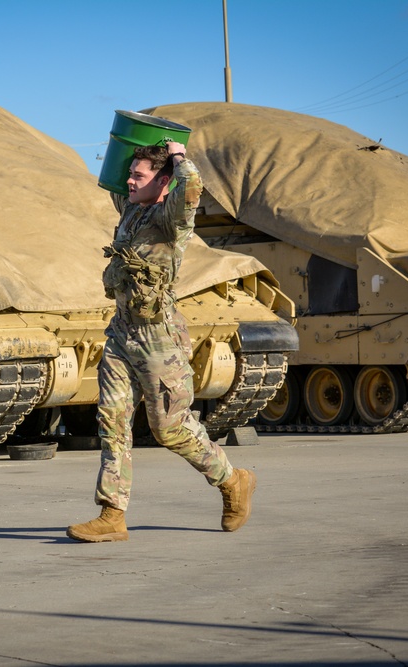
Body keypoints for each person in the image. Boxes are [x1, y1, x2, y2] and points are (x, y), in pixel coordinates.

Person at [66, 140, 256, 543]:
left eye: (140, 176)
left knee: (169, 429)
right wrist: (132, 143)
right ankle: (112, 514)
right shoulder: (132, 207)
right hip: (121, 333)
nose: (130, 181)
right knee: (112, 421)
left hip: (159, 340)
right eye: (131, 174)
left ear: (163, 182)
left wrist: (179, 156)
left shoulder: (174, 219)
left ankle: (232, 480)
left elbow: (190, 189)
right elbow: (114, 178)